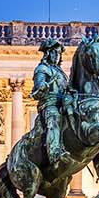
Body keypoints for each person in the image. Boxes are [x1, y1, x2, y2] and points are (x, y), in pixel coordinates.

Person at [30, 39, 69, 169]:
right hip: (50, 104)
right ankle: (54, 154)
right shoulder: (42, 69)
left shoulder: (61, 73)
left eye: (58, 53)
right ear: (47, 54)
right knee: (54, 120)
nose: (56, 56)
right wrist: (42, 85)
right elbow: (38, 86)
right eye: (53, 53)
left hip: (64, 105)